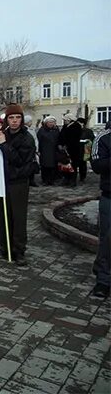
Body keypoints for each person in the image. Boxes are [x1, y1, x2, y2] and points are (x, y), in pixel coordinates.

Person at [0, 104, 36, 266]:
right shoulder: (3, 134)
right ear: (7, 119)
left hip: (19, 182)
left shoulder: (27, 138)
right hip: (2, 181)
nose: (15, 121)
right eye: (11, 117)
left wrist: (3, 144)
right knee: (3, 216)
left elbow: (17, 160)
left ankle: (19, 250)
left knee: (18, 217)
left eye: (18, 118)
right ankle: (4, 248)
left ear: (22, 120)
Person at [90, 121, 110, 298]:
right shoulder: (103, 138)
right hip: (110, 196)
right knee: (107, 239)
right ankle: (103, 280)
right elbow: (97, 166)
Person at [58, 113, 82, 187]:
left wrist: (67, 145)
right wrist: (60, 144)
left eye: (65, 120)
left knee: (73, 166)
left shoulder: (76, 126)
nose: (64, 121)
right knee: (65, 165)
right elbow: (61, 136)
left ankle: (72, 181)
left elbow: (74, 139)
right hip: (65, 150)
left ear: (69, 120)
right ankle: (66, 179)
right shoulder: (65, 126)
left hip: (73, 150)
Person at [37, 116, 60, 185]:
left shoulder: (56, 130)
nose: (51, 124)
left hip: (54, 151)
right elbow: (39, 140)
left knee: (53, 166)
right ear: (46, 123)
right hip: (44, 151)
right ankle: (45, 180)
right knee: (45, 166)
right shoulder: (42, 130)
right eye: (50, 122)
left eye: (53, 122)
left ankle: (52, 180)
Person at [78, 117, 95, 182]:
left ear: (82, 124)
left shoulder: (88, 131)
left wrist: (87, 141)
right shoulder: (75, 131)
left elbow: (93, 139)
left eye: (79, 123)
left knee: (83, 163)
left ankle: (82, 177)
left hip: (85, 149)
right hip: (77, 149)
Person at [24, 115, 39, 187]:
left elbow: (35, 139)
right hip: (27, 150)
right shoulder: (24, 130)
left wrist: (36, 147)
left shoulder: (32, 130)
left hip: (33, 150)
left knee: (32, 166)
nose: (31, 123)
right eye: (30, 121)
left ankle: (32, 180)